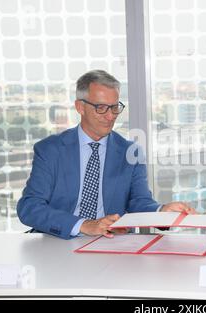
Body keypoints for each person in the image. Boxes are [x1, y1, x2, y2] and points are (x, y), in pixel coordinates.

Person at [17, 70, 194, 240]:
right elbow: (30, 207)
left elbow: (139, 202)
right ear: (80, 107)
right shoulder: (51, 150)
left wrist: (160, 211)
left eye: (115, 107)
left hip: (110, 244)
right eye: (101, 107)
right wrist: (83, 225)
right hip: (57, 242)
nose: (110, 116)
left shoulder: (130, 152)